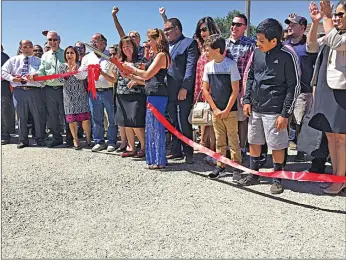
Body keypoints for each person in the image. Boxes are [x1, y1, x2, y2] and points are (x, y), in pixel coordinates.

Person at [238, 18, 301, 194]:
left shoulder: (288, 56)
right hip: (256, 107)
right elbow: (250, 76)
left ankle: (277, 178)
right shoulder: (256, 53)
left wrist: (285, 114)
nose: (258, 43)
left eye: (261, 41)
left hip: (275, 110)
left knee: (277, 145)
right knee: (254, 141)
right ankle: (253, 173)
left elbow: (294, 86)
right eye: (257, 39)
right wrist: (247, 100)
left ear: (274, 40)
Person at [306, 1, 346, 194]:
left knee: (341, 138)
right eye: (335, 15)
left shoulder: (340, 37)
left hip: (341, 90)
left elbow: (336, 43)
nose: (336, 18)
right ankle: (336, 177)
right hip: (325, 89)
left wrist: (327, 16)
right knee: (330, 136)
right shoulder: (331, 33)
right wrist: (315, 22)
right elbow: (311, 46)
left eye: (341, 14)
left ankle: (341, 178)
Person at [123, 28, 171, 169]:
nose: (148, 43)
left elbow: (147, 75)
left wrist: (131, 68)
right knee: (151, 127)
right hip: (152, 93)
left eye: (150, 40)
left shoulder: (162, 55)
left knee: (156, 128)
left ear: (157, 40)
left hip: (158, 95)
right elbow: (147, 80)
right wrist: (130, 76)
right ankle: (154, 158)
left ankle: (159, 160)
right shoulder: (157, 55)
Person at [202, 34, 242, 179]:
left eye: (207, 50)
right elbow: (205, 90)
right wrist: (215, 109)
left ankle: (236, 166)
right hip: (216, 111)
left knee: (233, 139)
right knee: (219, 139)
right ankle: (220, 166)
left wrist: (226, 110)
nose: (205, 53)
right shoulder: (208, 67)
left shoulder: (231, 65)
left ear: (217, 49)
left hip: (229, 110)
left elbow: (235, 90)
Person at [164, 17, 199, 164]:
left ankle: (188, 151)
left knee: (184, 122)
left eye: (168, 29)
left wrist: (185, 87)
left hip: (182, 90)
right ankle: (176, 150)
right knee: (172, 121)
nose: (165, 32)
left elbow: (190, 68)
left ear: (177, 29)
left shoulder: (189, 43)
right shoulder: (166, 46)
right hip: (167, 90)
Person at [284, 13, 318, 162]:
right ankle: (282, 149)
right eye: (288, 24)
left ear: (303, 28)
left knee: (299, 121)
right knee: (284, 119)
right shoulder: (284, 46)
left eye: (293, 24)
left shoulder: (309, 46)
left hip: (303, 91)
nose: (289, 26)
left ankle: (300, 149)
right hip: (285, 90)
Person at [76, 33, 118, 152]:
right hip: (93, 92)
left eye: (96, 41)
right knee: (96, 117)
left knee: (111, 118)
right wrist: (75, 71)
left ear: (104, 43)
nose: (93, 43)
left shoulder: (111, 56)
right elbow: (82, 75)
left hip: (108, 91)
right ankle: (99, 141)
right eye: (92, 41)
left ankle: (111, 141)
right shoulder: (87, 58)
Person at [2, 40, 46, 148]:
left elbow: (45, 74)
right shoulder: (13, 60)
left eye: (30, 46)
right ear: (21, 48)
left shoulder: (39, 61)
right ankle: (23, 140)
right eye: (25, 47)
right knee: (22, 116)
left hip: (35, 90)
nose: (27, 49)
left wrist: (36, 76)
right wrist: (12, 78)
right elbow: (3, 71)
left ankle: (40, 139)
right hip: (19, 91)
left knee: (38, 116)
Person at [225, 14, 256, 161]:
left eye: (238, 24)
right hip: (225, 90)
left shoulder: (251, 44)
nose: (234, 27)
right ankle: (227, 148)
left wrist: (246, 92)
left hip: (242, 89)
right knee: (227, 118)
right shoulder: (223, 44)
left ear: (245, 27)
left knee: (242, 119)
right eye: (233, 24)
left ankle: (242, 148)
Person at [193, 16, 221, 166]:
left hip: (214, 89)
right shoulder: (200, 47)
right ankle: (208, 150)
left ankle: (215, 153)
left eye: (205, 29)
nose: (202, 32)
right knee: (206, 122)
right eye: (200, 30)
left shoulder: (218, 45)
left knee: (214, 124)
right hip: (202, 89)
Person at [38, 31, 73, 147]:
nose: (52, 42)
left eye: (55, 40)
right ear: (47, 41)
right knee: (52, 115)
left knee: (67, 114)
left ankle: (70, 139)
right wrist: (35, 77)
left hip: (64, 89)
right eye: (50, 40)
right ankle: (57, 138)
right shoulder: (45, 56)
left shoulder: (65, 54)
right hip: (49, 89)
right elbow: (41, 71)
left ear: (59, 41)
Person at [114, 36, 146, 158]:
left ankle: (143, 147)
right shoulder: (119, 61)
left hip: (136, 95)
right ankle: (131, 147)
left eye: (128, 46)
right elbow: (116, 78)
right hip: (121, 94)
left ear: (134, 47)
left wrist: (137, 81)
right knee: (126, 122)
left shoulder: (140, 61)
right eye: (123, 46)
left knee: (136, 123)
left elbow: (147, 77)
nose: (126, 48)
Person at [57, 46, 92, 150]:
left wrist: (77, 70)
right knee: (72, 120)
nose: (69, 55)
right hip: (68, 95)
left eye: (72, 53)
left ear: (76, 54)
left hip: (81, 94)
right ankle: (75, 140)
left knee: (85, 118)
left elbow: (85, 77)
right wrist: (67, 74)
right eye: (67, 53)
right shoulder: (62, 67)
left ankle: (88, 138)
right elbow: (60, 81)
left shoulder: (81, 65)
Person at [1, 45, 15, 145]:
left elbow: (7, 72)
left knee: (4, 112)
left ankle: (5, 134)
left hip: (3, 88)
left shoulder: (4, 57)